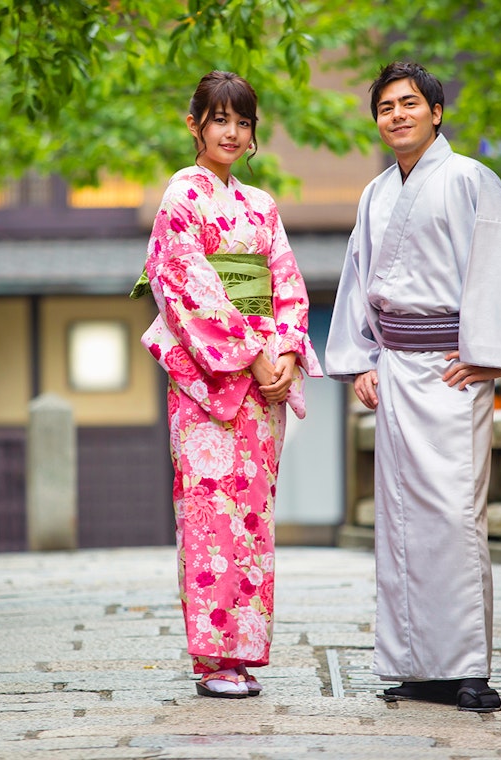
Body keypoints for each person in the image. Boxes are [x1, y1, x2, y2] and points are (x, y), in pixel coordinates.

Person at [324, 62, 501, 713]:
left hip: (453, 373)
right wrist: (360, 360)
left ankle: (467, 668)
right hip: (397, 372)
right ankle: (416, 665)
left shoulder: (469, 180)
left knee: (457, 519)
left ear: (435, 111)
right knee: (401, 524)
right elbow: (359, 281)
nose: (396, 115)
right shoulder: (375, 194)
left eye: (408, 103)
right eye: (385, 107)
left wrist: (494, 356)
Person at [131, 70, 322, 699]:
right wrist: (249, 354)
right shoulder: (181, 197)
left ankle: (244, 655)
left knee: (253, 518)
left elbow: (288, 285)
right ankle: (215, 659)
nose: (232, 132)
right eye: (219, 120)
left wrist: (287, 351)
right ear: (195, 125)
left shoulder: (262, 205)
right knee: (211, 517)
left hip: (262, 382)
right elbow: (186, 286)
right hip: (209, 387)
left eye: (243, 122)